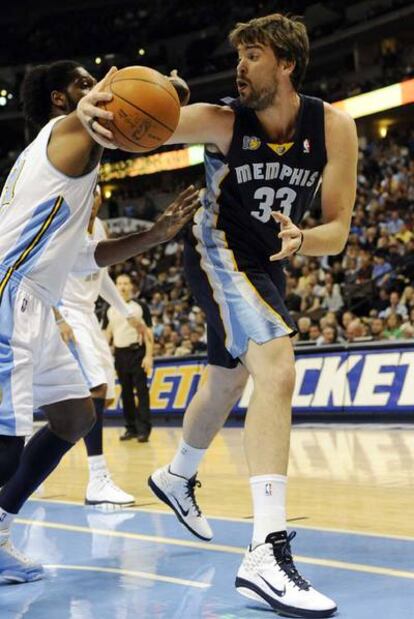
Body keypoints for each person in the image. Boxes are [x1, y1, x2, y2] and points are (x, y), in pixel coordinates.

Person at [148, 13, 357, 618]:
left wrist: (303, 241)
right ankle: (265, 550)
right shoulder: (220, 120)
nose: (240, 66)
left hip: (269, 262)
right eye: (238, 54)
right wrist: (125, 101)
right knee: (278, 369)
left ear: (286, 64)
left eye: (254, 55)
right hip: (215, 253)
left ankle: (177, 474)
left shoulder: (333, 127)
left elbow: (338, 232)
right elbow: (142, 130)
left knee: (230, 378)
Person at [0, 59, 199, 583]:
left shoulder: (74, 164)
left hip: (38, 301)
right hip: (8, 293)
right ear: (61, 101)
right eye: (84, 86)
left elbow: (86, 257)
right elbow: (98, 111)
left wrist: (153, 236)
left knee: (74, 417)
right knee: (5, 448)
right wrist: (148, 91)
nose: (98, 93)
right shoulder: (64, 132)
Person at [55, 186, 137, 506]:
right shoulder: (63, 226)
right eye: (87, 193)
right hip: (65, 312)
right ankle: (98, 477)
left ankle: (23, 469)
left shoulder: (100, 227)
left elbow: (101, 277)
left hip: (87, 315)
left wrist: (127, 312)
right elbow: (41, 272)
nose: (93, 199)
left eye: (96, 193)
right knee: (95, 388)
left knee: (85, 400)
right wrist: (58, 317)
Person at [107, 273, 153, 442]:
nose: (123, 287)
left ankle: (144, 429)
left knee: (142, 392)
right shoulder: (110, 308)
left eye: (126, 283)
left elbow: (148, 332)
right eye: (119, 284)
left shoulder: (140, 306)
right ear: (115, 287)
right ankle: (130, 428)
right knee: (125, 393)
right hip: (120, 354)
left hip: (137, 352)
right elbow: (107, 334)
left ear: (132, 286)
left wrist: (149, 355)